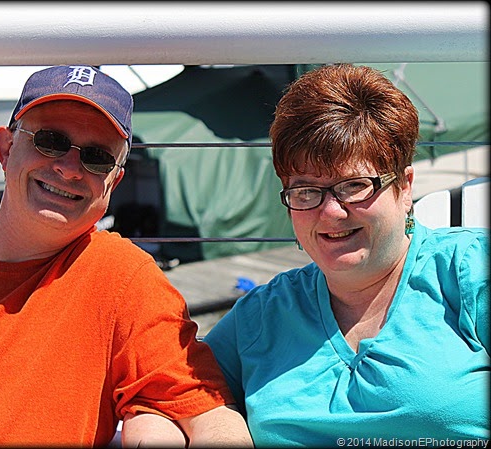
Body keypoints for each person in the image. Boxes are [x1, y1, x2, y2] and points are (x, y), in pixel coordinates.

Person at [0, 65, 253, 447]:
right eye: (50, 141)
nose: (68, 169)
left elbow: (208, 412)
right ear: (6, 148)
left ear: (114, 181)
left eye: (97, 158)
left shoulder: (122, 280)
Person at [204, 64, 489, 446]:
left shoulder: (469, 273)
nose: (331, 212)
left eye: (354, 185)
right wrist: (216, 422)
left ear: (405, 187)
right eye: (306, 191)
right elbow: (177, 391)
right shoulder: (261, 317)